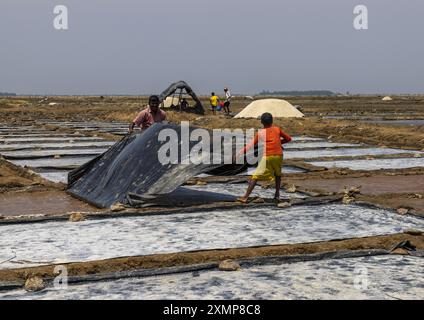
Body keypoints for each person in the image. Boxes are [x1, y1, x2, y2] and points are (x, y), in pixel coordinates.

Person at [236, 112, 292, 203]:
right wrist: (278, 143)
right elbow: (288, 139)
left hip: (268, 156)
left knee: (255, 176)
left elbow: (251, 145)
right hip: (279, 155)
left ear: (261, 122)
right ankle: (277, 195)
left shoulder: (261, 133)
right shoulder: (277, 129)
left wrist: (241, 152)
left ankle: (245, 197)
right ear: (272, 121)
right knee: (278, 174)